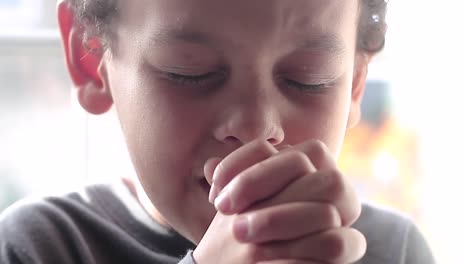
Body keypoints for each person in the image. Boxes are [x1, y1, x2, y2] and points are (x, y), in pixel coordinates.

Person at [0, 0, 436, 263]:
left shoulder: (392, 251)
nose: (256, 127)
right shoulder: (39, 248)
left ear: (356, 81)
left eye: (310, 78)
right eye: (190, 72)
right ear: (92, 58)